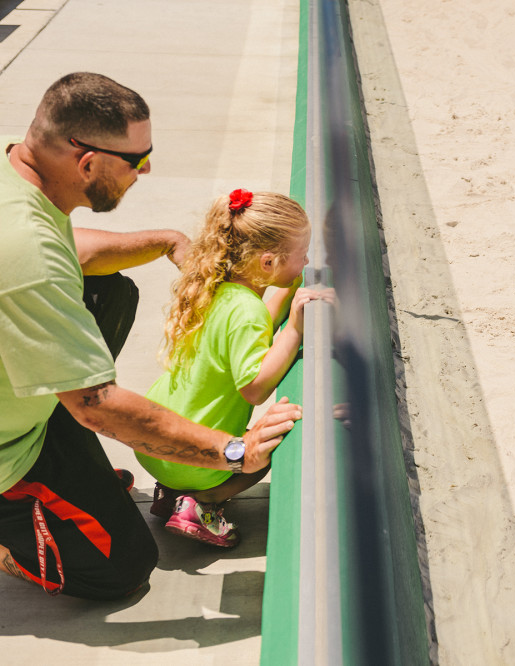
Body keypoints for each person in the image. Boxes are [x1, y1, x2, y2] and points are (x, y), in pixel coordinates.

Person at [0, 72, 301, 599]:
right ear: (87, 162)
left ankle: (63, 460)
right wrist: (232, 452)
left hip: (28, 401)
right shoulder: (27, 256)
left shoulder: (19, 182)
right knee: (122, 568)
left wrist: (167, 242)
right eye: (137, 160)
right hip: (8, 448)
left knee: (110, 292)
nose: (147, 169)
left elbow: (70, 250)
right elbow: (95, 404)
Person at [137, 188, 328, 547]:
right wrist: (296, 330)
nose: (305, 263)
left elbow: (253, 332)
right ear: (267, 263)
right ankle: (201, 503)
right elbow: (254, 387)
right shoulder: (247, 311)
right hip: (195, 458)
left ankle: (171, 492)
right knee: (271, 445)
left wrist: (289, 292)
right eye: (302, 256)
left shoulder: (218, 289)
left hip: (155, 443)